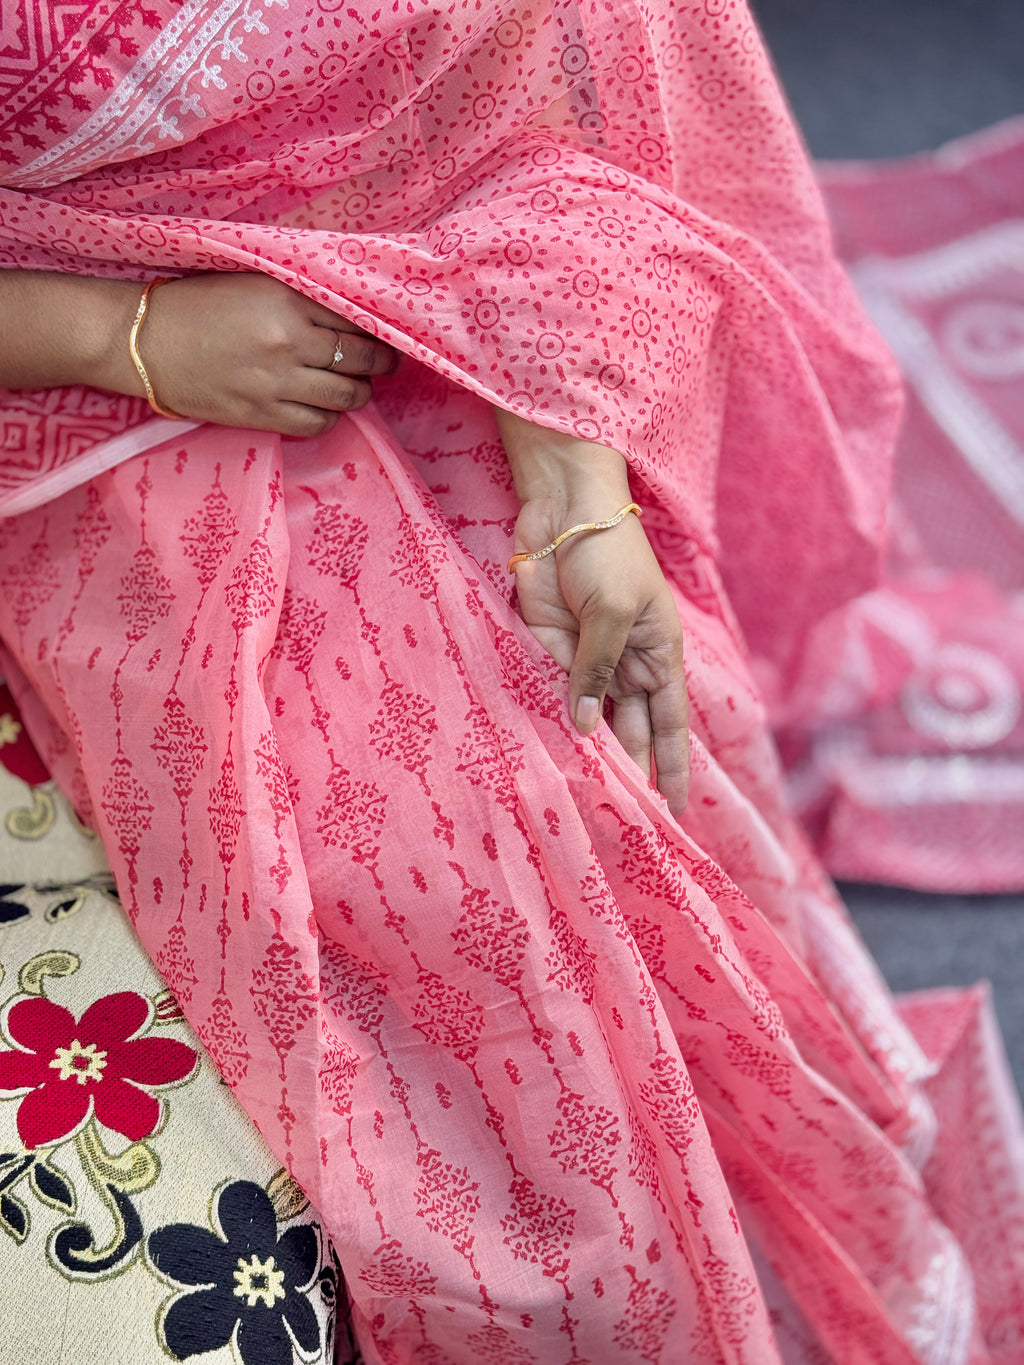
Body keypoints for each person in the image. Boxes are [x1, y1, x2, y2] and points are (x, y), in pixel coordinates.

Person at [0, 1, 1022, 1362]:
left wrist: (579, 492)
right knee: (398, 886)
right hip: (90, 405)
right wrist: (128, 337)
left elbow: (550, 123)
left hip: (467, 343)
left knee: (610, 734)